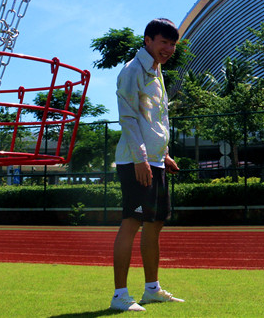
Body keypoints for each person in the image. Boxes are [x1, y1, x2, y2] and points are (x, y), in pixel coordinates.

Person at [110, 19, 184, 312]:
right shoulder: (131, 71)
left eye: (172, 44)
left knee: (155, 224)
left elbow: (157, 118)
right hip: (136, 161)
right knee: (132, 223)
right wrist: (142, 158)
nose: (168, 49)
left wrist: (163, 154)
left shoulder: (157, 71)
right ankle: (119, 296)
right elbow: (127, 117)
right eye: (163, 42)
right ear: (148, 40)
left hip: (156, 160)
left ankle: (151, 289)